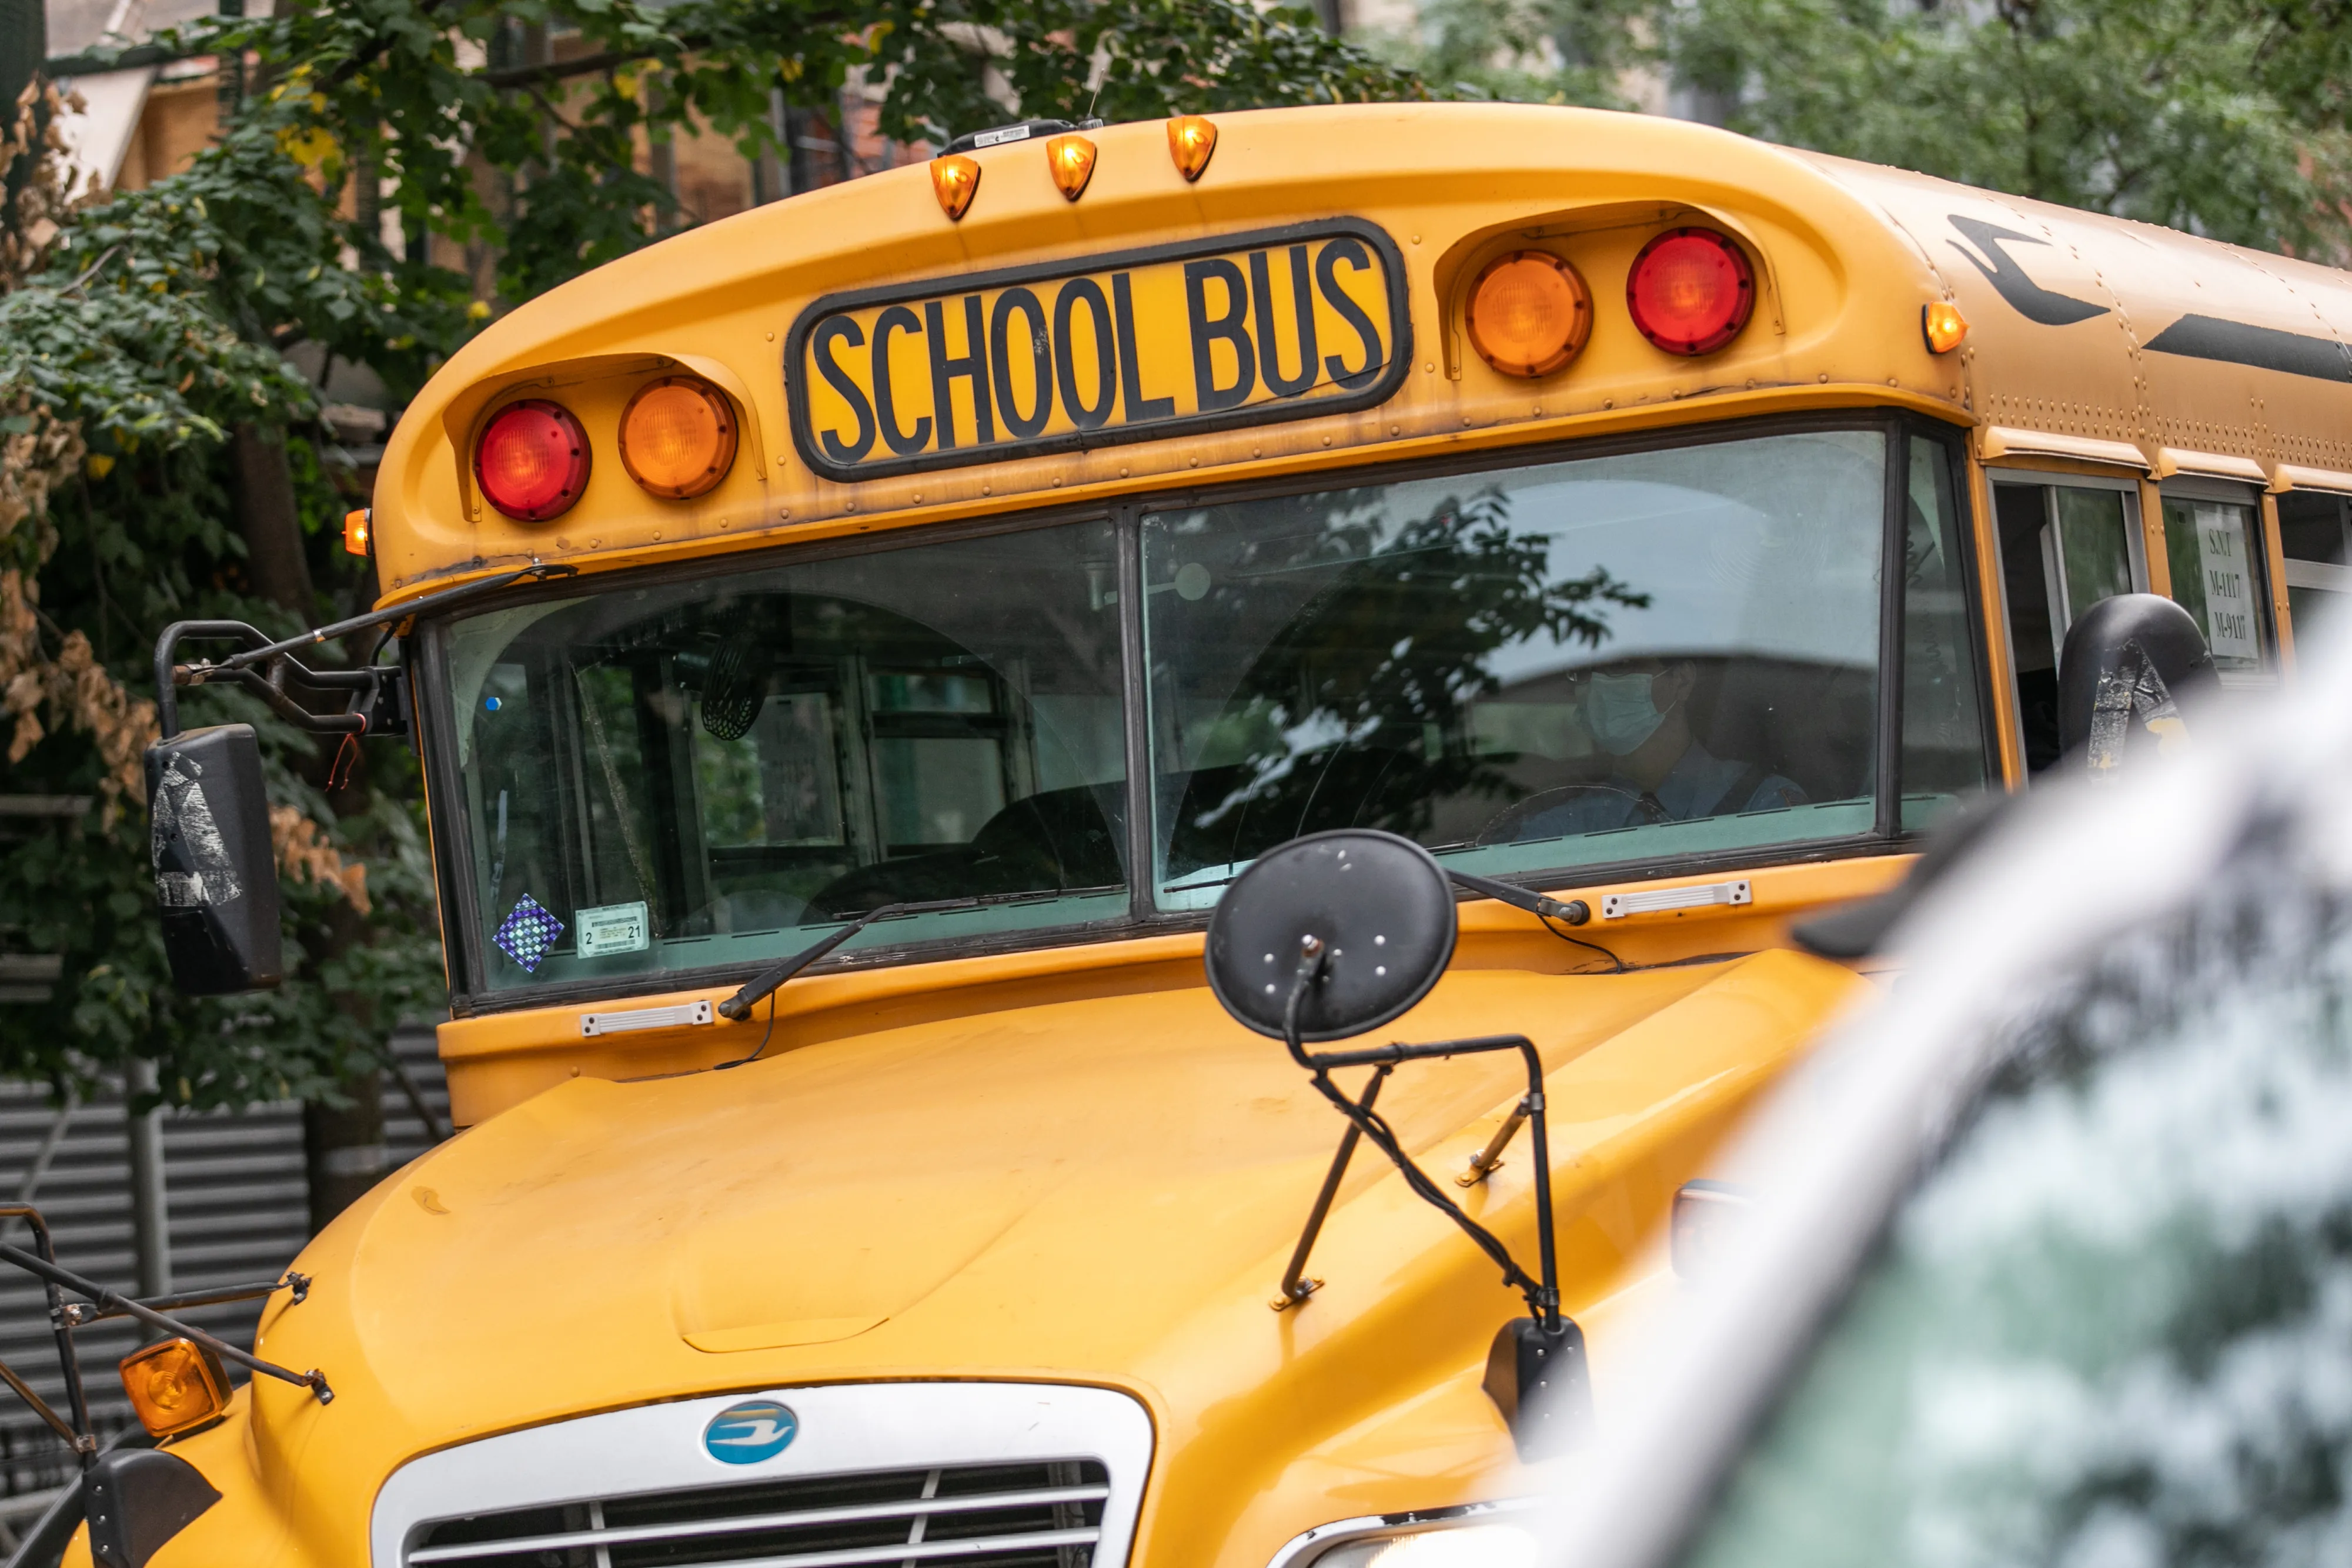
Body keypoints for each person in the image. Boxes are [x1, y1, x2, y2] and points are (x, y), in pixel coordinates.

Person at [1479, 657, 1805, 842]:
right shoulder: (1553, 825)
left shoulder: (1763, 804)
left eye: (1620, 666)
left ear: (1682, 681)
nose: (1598, 686)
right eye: (1583, 673)